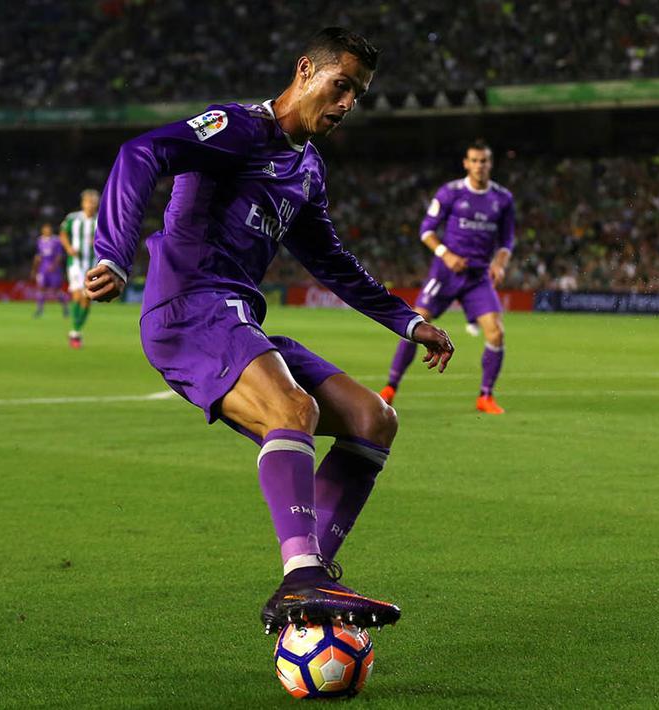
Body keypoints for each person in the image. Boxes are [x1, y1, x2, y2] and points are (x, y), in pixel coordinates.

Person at [84, 28, 454, 633]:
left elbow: (332, 262)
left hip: (237, 317)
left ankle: (309, 581)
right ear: (306, 70)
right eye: (341, 87)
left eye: (357, 96)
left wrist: (408, 321)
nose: (346, 105)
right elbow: (141, 153)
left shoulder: (308, 168)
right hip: (188, 309)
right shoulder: (237, 128)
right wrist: (113, 253)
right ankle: (301, 576)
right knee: (292, 406)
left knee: (373, 420)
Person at [379, 140, 515, 414]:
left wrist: (499, 264)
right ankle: (390, 387)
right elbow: (426, 230)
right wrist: (446, 254)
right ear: (466, 163)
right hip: (445, 273)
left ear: (491, 164)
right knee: (415, 323)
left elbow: (507, 240)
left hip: (477, 277)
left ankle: (485, 396)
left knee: (496, 332)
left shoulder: (502, 199)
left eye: (484, 161)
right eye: (474, 160)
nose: (479, 166)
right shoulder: (450, 192)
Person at [60, 190, 99, 348]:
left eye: (93, 202)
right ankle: (75, 332)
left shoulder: (101, 220)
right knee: (77, 296)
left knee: (87, 298)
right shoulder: (73, 218)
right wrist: (68, 248)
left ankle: (76, 330)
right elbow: (63, 234)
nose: (90, 205)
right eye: (88, 202)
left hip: (94, 264)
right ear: (83, 203)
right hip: (75, 263)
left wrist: (97, 243)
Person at [32, 223, 69, 318]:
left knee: (56, 290)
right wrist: (34, 269)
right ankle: (39, 310)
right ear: (42, 230)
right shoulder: (39, 240)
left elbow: (59, 255)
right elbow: (38, 256)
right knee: (41, 288)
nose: (47, 231)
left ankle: (65, 309)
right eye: (45, 229)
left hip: (54, 269)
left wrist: (54, 265)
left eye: (49, 229)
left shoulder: (56, 240)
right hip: (43, 268)